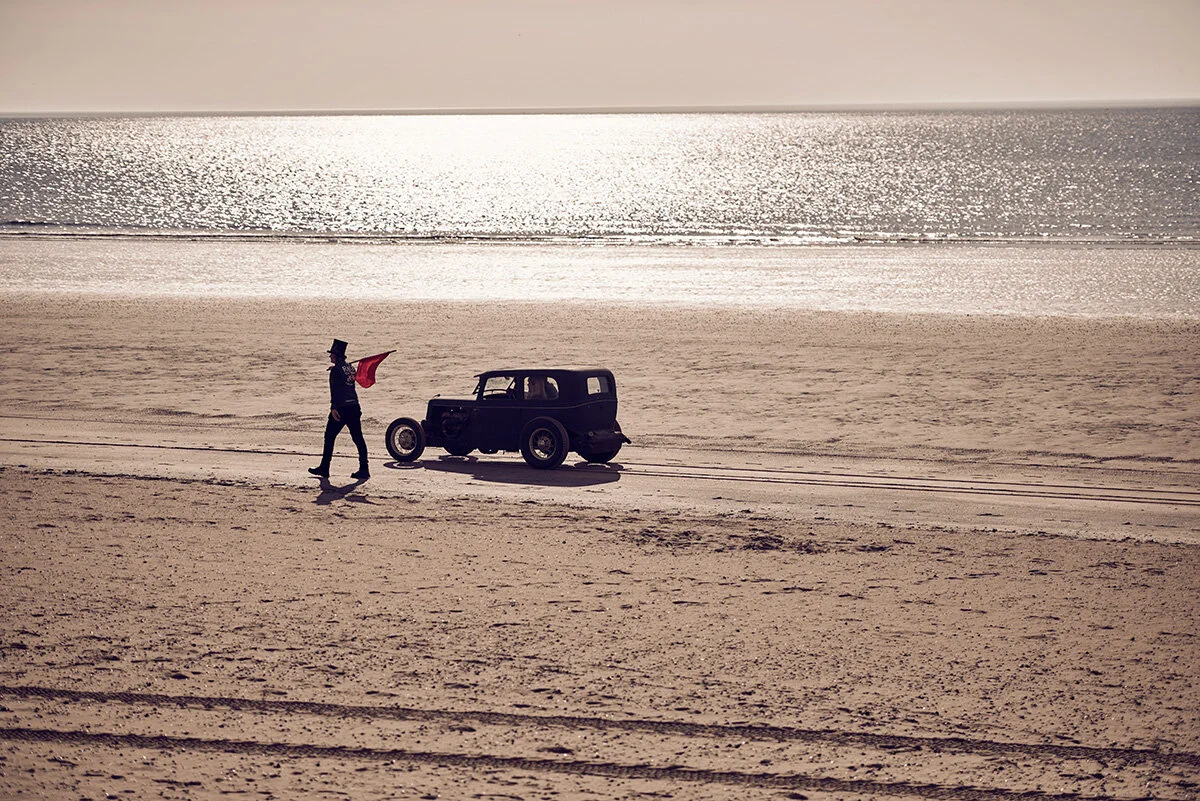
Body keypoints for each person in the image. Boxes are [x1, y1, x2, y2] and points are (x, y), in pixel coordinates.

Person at [309, 339, 370, 480]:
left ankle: (324, 468)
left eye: (331, 354)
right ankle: (364, 469)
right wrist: (336, 369)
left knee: (329, 436)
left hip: (342, 408)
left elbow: (335, 390)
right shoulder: (350, 367)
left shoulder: (336, 371)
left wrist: (333, 407)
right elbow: (345, 381)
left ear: (336, 355)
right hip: (354, 406)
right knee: (358, 438)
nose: (330, 356)